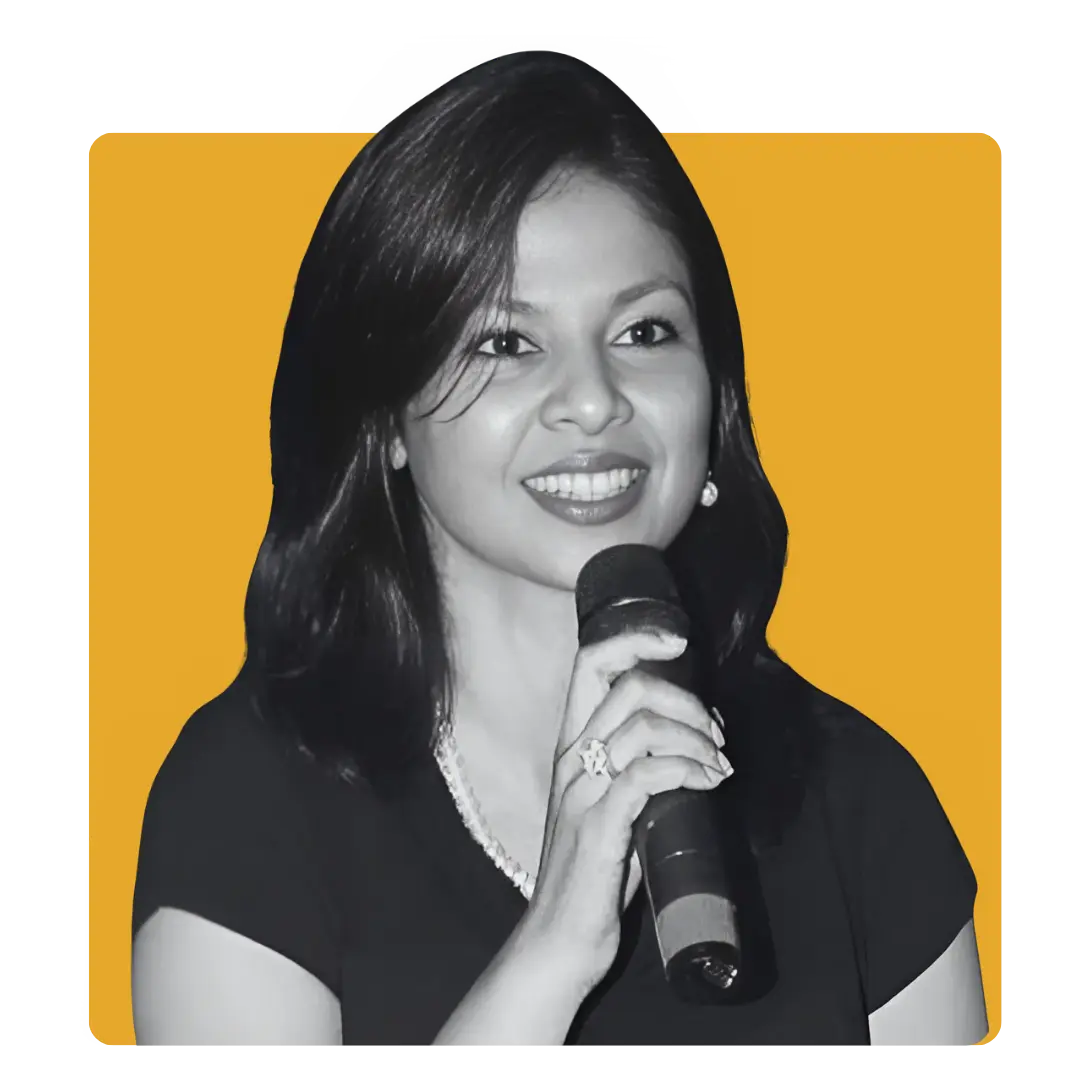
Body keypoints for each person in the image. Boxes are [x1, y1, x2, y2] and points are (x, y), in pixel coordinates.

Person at [130, 52, 989, 1048]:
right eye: (507, 343)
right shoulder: (246, 808)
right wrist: (554, 949)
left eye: (645, 332)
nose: (592, 400)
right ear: (388, 420)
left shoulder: (860, 798)